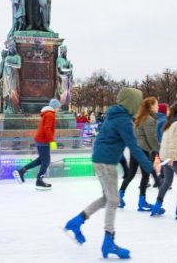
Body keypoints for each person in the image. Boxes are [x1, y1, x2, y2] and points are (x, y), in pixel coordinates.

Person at [64, 88, 154, 259]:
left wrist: (123, 162)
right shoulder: (123, 121)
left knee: (108, 198)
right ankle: (108, 241)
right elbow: (134, 146)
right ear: (132, 103)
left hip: (102, 159)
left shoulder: (115, 116)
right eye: (138, 102)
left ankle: (77, 221)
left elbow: (112, 140)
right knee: (113, 200)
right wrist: (149, 168)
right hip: (106, 163)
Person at [150, 100, 177, 220]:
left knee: (167, 181)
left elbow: (165, 141)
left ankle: (157, 206)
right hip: (174, 158)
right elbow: (175, 141)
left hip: (166, 156)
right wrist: (171, 156)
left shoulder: (170, 122)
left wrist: (166, 156)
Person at [118, 97, 160, 211]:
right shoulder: (149, 120)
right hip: (143, 150)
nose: (158, 106)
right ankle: (142, 202)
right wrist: (160, 150)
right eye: (156, 104)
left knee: (131, 173)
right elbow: (151, 139)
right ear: (151, 106)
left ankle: (119, 196)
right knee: (145, 174)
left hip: (135, 149)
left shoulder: (140, 118)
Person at [13, 99, 61, 190]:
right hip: (44, 140)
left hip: (42, 140)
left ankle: (22, 171)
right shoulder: (50, 115)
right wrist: (52, 141)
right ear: (55, 107)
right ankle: (39, 180)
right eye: (58, 107)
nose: (59, 109)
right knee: (46, 161)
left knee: (41, 160)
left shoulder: (47, 114)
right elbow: (47, 129)